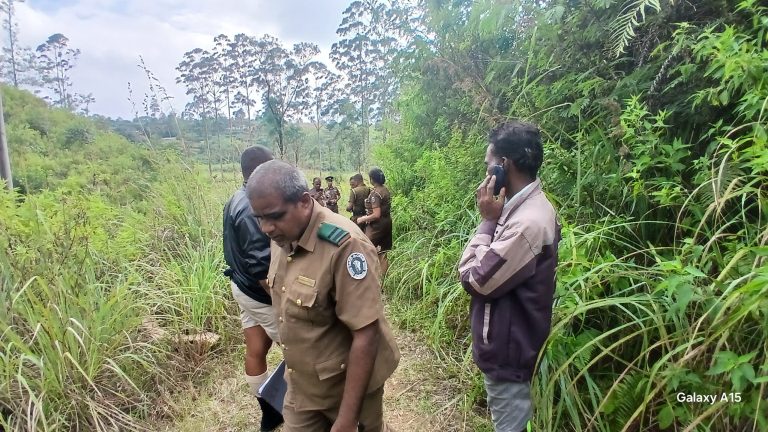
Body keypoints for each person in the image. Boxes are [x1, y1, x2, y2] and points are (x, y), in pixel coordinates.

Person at [246, 160, 400, 432]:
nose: (266, 228)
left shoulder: (345, 246)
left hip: (347, 388)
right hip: (301, 383)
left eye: (274, 216)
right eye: (260, 218)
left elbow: (366, 333)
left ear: (305, 202)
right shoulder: (282, 235)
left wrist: (347, 418)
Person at [457, 121, 560, 432]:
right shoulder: (525, 208)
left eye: (487, 164)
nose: (485, 174)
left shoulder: (526, 223)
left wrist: (487, 221)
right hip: (513, 347)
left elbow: (474, 278)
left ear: (503, 166)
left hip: (510, 356)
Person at [222, 145, 284, 432]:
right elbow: (262, 267)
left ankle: (268, 413)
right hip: (260, 293)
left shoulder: (235, 198)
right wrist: (282, 302)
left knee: (256, 348)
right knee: (299, 350)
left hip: (242, 286)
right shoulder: (251, 206)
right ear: (261, 170)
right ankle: (294, 408)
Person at [356, 168, 392, 275]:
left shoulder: (376, 194)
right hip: (387, 223)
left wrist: (362, 219)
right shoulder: (385, 190)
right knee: (383, 253)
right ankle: (383, 279)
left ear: (372, 179)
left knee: (365, 249)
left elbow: (376, 215)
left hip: (377, 226)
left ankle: (368, 277)